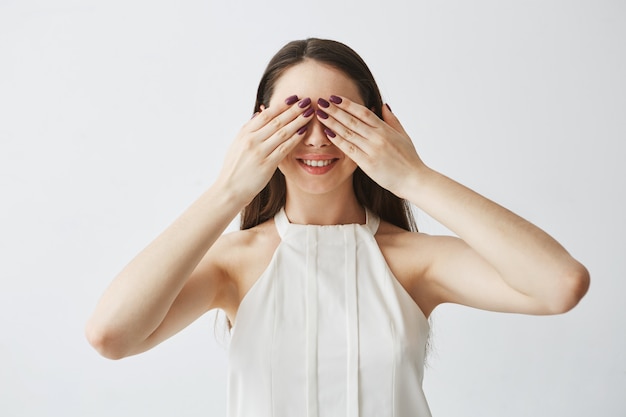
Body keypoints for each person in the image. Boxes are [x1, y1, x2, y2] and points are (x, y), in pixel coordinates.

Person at [85, 38, 590, 416]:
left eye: (338, 117)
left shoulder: (415, 261)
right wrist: (228, 190)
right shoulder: (233, 264)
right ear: (260, 127)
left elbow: (560, 284)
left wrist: (415, 176)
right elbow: (111, 336)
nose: (316, 140)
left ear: (375, 124)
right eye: (294, 118)